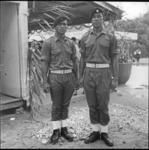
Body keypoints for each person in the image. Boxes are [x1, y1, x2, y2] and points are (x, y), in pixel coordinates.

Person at [79, 8, 119, 147]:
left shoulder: (110, 36)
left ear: (103, 19)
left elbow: (114, 57)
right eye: (94, 17)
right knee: (92, 104)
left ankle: (105, 132)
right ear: (91, 20)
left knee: (103, 104)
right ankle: (95, 131)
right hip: (89, 73)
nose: (96, 19)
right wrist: (80, 76)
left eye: (99, 16)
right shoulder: (85, 37)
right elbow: (82, 59)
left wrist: (115, 77)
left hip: (104, 73)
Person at [40, 16, 78, 144]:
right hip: (55, 76)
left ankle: (64, 129)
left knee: (65, 105)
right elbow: (44, 62)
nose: (64, 26)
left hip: (69, 76)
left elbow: (75, 61)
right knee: (56, 105)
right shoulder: (48, 43)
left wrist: (77, 78)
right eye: (61, 24)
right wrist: (44, 81)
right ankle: (56, 131)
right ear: (55, 26)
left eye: (66, 24)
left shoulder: (71, 43)